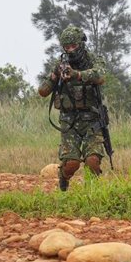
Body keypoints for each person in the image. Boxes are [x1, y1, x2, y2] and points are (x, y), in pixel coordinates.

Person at [38, 25, 107, 191]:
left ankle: (92, 192)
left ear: (81, 43)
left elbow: (101, 75)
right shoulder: (60, 64)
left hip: (92, 119)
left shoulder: (93, 59)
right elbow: (42, 91)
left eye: (74, 46)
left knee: (92, 160)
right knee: (71, 163)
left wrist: (77, 74)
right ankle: (63, 177)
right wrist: (55, 75)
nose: (70, 50)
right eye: (67, 47)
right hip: (69, 121)